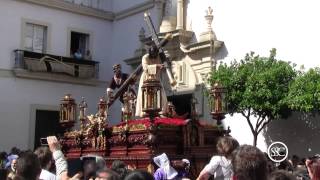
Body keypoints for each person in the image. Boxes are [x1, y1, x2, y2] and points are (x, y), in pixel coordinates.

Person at [135, 45, 168, 117]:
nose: (154, 55)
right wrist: (157, 66)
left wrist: (164, 66)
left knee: (162, 95)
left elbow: (163, 66)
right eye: (152, 53)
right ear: (150, 52)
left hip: (156, 79)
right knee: (146, 95)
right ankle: (145, 112)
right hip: (147, 79)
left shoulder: (159, 57)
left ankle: (161, 112)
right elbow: (145, 68)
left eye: (155, 53)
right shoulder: (145, 57)